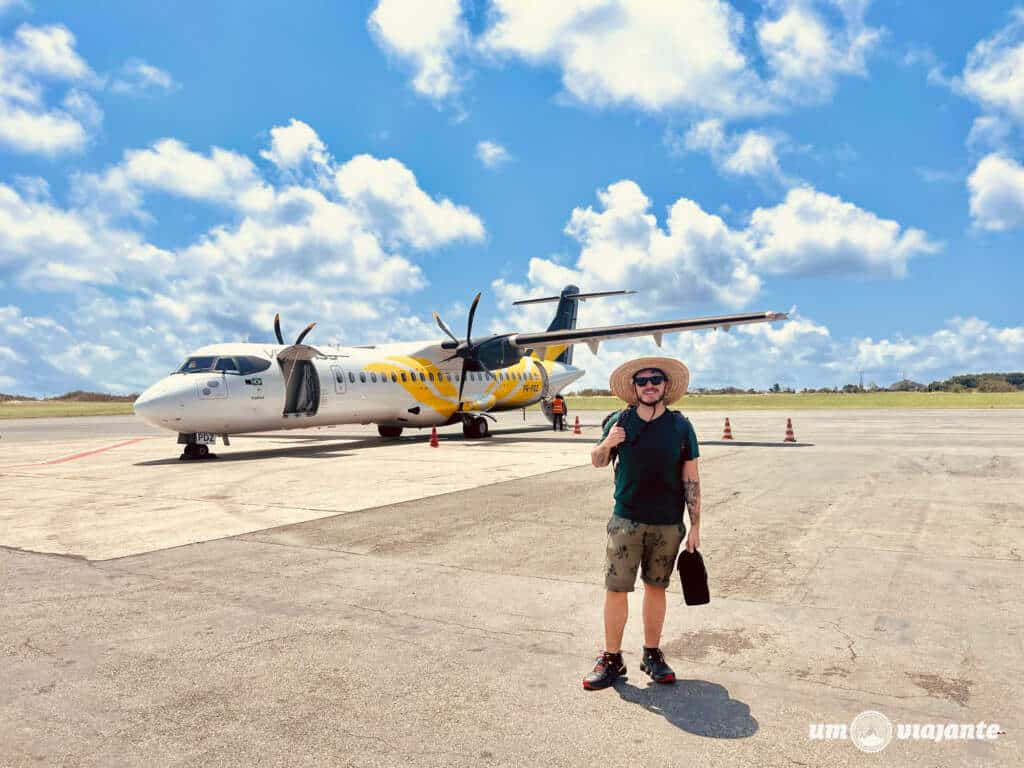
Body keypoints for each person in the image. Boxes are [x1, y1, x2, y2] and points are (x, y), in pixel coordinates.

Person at [583, 357, 701, 690]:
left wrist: (695, 526)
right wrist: (609, 442)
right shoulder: (620, 420)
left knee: (656, 588)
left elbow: (691, 477)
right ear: (634, 388)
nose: (649, 385)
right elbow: (597, 460)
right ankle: (611, 658)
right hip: (626, 522)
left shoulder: (681, 426)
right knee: (616, 589)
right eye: (642, 381)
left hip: (667, 524)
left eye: (656, 380)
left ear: (665, 386)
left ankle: (652, 654)